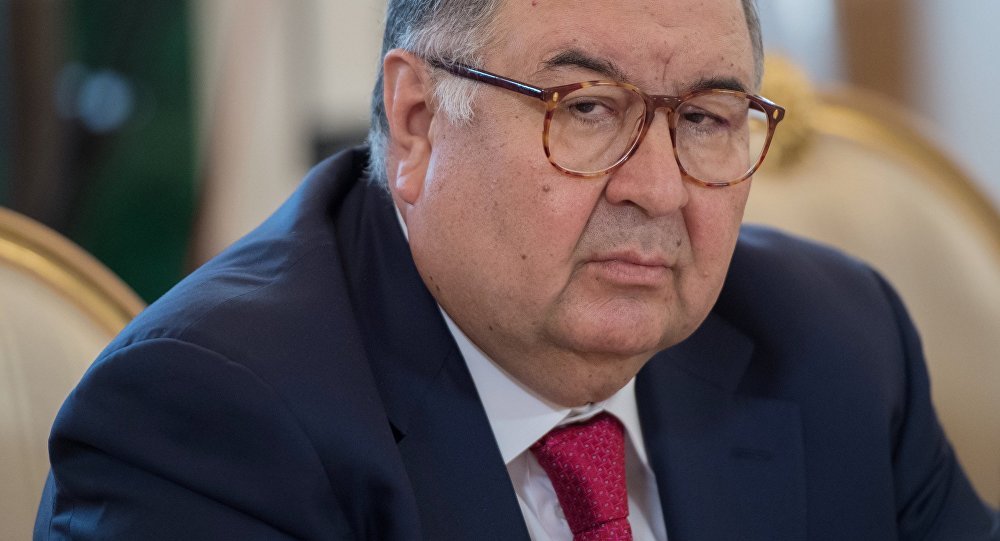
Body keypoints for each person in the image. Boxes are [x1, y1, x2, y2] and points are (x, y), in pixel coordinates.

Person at [34, 0, 998, 539]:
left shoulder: (836, 340)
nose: (659, 189)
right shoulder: (201, 420)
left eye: (706, 117)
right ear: (417, 122)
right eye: (587, 108)